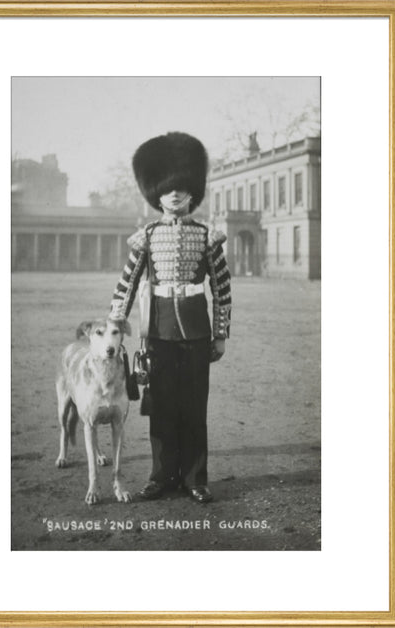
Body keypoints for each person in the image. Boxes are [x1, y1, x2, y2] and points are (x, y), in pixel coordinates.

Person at [110, 131, 232, 504]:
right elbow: (127, 283)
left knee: (195, 408)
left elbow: (222, 288)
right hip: (158, 332)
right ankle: (161, 475)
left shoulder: (207, 236)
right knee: (161, 408)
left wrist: (220, 333)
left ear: (192, 191)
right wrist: (116, 323)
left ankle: (195, 478)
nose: (175, 194)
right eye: (167, 188)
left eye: (181, 187)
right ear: (156, 194)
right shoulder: (146, 235)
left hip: (196, 332)